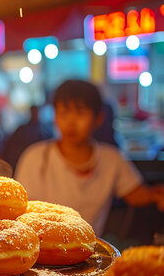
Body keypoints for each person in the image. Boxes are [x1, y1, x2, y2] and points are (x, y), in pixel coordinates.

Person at [15, 80, 164, 234]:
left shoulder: (111, 159)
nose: (71, 122)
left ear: (98, 118)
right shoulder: (36, 157)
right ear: (55, 117)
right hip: (42, 249)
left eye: (80, 113)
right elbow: (20, 209)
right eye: (63, 113)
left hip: (89, 251)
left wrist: (156, 194)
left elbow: (136, 193)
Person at [2, 106, 53, 171]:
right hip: (24, 161)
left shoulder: (45, 130)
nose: (35, 114)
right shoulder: (23, 129)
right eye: (33, 112)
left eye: (36, 112)